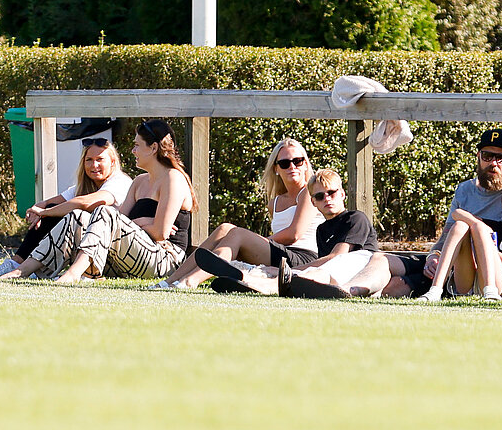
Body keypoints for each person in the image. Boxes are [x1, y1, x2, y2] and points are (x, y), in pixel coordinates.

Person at [389, 128, 502, 298]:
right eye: (487, 156)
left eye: (501, 158)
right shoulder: (464, 190)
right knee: (393, 283)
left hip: (501, 272)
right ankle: (433, 291)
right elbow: (445, 238)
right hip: (463, 271)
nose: (493, 163)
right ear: (478, 157)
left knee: (479, 229)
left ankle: (485, 292)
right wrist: (433, 256)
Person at [19, 118, 196, 282]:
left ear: (153, 148)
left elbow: (160, 233)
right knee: (77, 216)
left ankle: (76, 273)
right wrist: (143, 222)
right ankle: (23, 270)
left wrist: (138, 223)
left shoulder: (173, 179)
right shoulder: (139, 181)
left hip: (164, 259)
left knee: (104, 211)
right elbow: (117, 221)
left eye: (137, 145)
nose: (133, 151)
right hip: (127, 258)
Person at [159, 138, 319, 289]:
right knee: (224, 229)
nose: (292, 167)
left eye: (297, 161)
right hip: (281, 254)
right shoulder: (274, 202)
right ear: (276, 168)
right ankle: (170, 281)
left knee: (237, 234)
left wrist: (258, 240)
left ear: (305, 164)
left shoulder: (308, 192)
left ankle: (190, 280)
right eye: (285, 163)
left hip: (302, 258)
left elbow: (294, 234)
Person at [0, 134, 132, 279]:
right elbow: (48, 203)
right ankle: (18, 263)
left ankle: (30, 267)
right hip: (86, 246)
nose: (94, 165)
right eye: (89, 160)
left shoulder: (120, 182)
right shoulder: (83, 187)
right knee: (53, 208)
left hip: (113, 251)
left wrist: (45, 212)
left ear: (112, 162)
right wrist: (38, 210)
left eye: (100, 160)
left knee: (61, 213)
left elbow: (86, 202)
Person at [417, 180, 502, 302]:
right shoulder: (498, 227)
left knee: (479, 227)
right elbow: (457, 213)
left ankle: (491, 292)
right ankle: (435, 290)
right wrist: (483, 229)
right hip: (472, 281)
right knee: (461, 225)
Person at [267, 170, 385, 298]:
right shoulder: (321, 230)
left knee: (319, 273)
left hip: (363, 274)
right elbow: (327, 262)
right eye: (319, 196)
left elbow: (337, 256)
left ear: (342, 194)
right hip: (336, 277)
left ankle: (279, 282)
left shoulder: (355, 218)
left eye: (331, 193)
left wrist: (293, 271)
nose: (327, 199)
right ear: (313, 202)